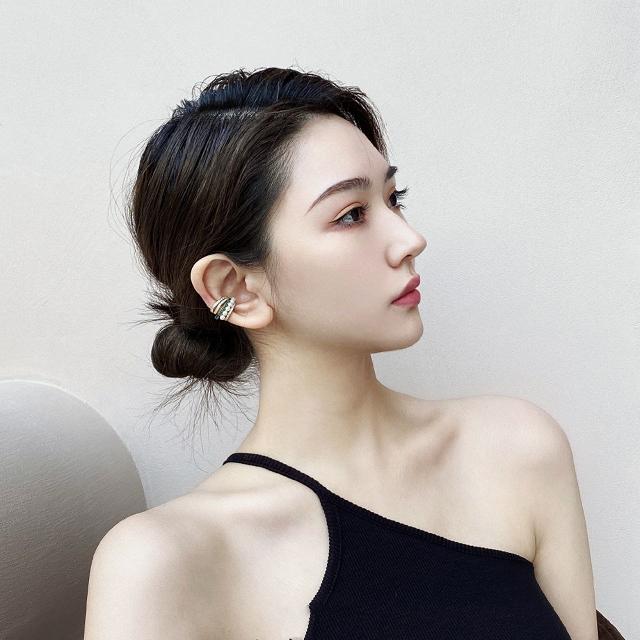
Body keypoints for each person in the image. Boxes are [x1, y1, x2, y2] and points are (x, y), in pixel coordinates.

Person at [83, 66, 598, 639]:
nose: (409, 239)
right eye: (351, 215)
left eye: (394, 199)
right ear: (236, 288)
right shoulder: (163, 561)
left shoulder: (516, 448)